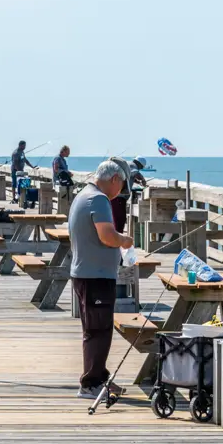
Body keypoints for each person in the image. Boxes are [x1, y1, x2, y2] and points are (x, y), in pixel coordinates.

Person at [69, 160, 133, 399]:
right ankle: (90, 384)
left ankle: (100, 377)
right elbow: (107, 236)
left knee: (97, 328)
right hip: (94, 276)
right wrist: (124, 241)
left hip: (88, 274)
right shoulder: (98, 199)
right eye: (122, 185)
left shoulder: (83, 195)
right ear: (115, 179)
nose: (120, 192)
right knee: (98, 331)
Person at [107, 155, 134, 233]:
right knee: (118, 218)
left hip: (117, 197)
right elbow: (134, 172)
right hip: (118, 197)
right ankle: (117, 234)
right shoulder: (132, 167)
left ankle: (117, 234)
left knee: (118, 218)